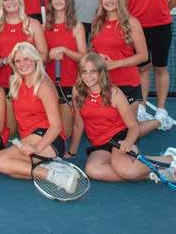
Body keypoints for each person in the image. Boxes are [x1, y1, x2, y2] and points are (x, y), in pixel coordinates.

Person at [66, 52, 176, 182]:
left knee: (126, 170)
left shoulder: (114, 93)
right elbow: (78, 124)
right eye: (84, 71)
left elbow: (133, 126)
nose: (88, 76)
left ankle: (170, 158)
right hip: (99, 143)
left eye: (93, 71)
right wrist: (71, 152)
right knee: (93, 170)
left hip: (119, 137)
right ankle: (154, 174)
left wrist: (128, 142)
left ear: (101, 72)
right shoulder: (77, 91)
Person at [0, 42, 74, 192]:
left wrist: (36, 148)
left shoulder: (43, 85)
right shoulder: (16, 82)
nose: (22, 64)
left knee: (1, 163)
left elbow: (56, 126)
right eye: (18, 61)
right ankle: (49, 167)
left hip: (48, 139)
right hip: (29, 138)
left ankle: (55, 176)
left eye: (26, 59)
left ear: (35, 59)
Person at [90, 0, 170, 134]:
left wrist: (115, 64)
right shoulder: (97, 22)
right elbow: (95, 50)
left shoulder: (131, 22)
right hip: (104, 83)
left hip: (127, 84)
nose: (109, 0)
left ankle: (158, 121)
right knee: (107, 130)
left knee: (127, 133)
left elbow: (143, 56)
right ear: (101, 0)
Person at [120, 0, 176, 119]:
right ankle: (142, 107)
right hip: (137, 29)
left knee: (160, 68)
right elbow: (124, 0)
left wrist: (164, 10)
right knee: (142, 68)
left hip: (161, 27)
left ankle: (161, 109)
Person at [43, 0, 87, 137]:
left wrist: (65, 51)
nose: (58, 1)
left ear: (68, 0)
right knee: (50, 129)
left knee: (65, 133)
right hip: (48, 84)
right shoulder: (44, 27)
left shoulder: (77, 26)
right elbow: (40, 60)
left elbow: (84, 57)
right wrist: (49, 56)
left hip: (70, 84)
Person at [0, 0, 47, 97]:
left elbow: (44, 56)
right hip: (5, 83)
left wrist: (25, 60)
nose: (10, 2)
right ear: (1, 4)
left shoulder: (33, 24)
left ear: (19, 0)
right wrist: (5, 61)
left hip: (30, 82)